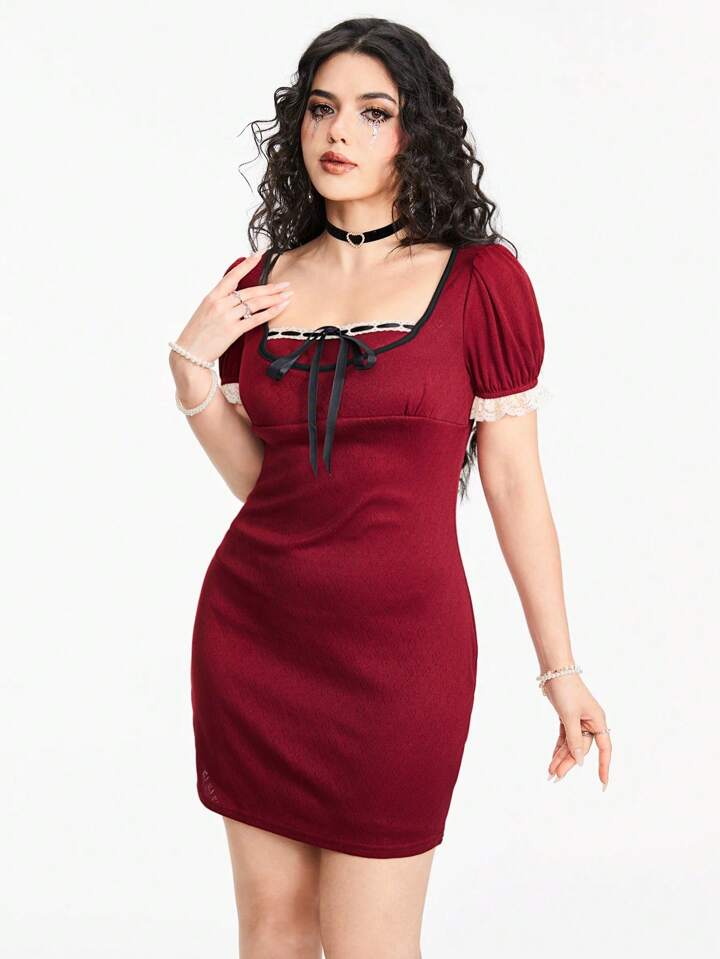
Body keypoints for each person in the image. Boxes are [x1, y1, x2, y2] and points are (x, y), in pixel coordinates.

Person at [168, 17, 611, 959]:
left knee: (372, 942)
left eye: (375, 112)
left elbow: (515, 485)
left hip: (403, 655)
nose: (340, 132)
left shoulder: (481, 281)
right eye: (322, 109)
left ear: (419, 132)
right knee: (274, 932)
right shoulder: (258, 285)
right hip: (255, 635)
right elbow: (272, 488)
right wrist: (192, 376)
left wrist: (561, 667)